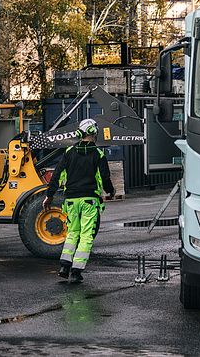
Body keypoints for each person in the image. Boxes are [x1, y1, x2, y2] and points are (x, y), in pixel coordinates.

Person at [43, 118, 115, 284]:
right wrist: (111, 192)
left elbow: (57, 176)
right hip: (89, 201)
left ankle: (64, 266)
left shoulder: (69, 152)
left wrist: (49, 196)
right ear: (93, 133)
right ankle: (76, 271)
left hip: (71, 201)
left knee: (72, 233)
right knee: (86, 235)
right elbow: (105, 178)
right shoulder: (99, 154)